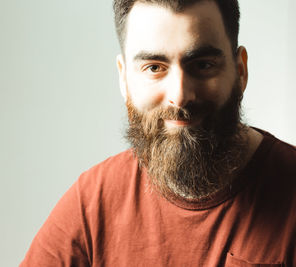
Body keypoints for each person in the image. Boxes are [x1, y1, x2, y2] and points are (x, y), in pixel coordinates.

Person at [20, 0, 296, 266]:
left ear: (240, 71)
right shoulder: (92, 202)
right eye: (154, 67)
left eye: (202, 65)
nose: (180, 95)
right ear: (125, 79)